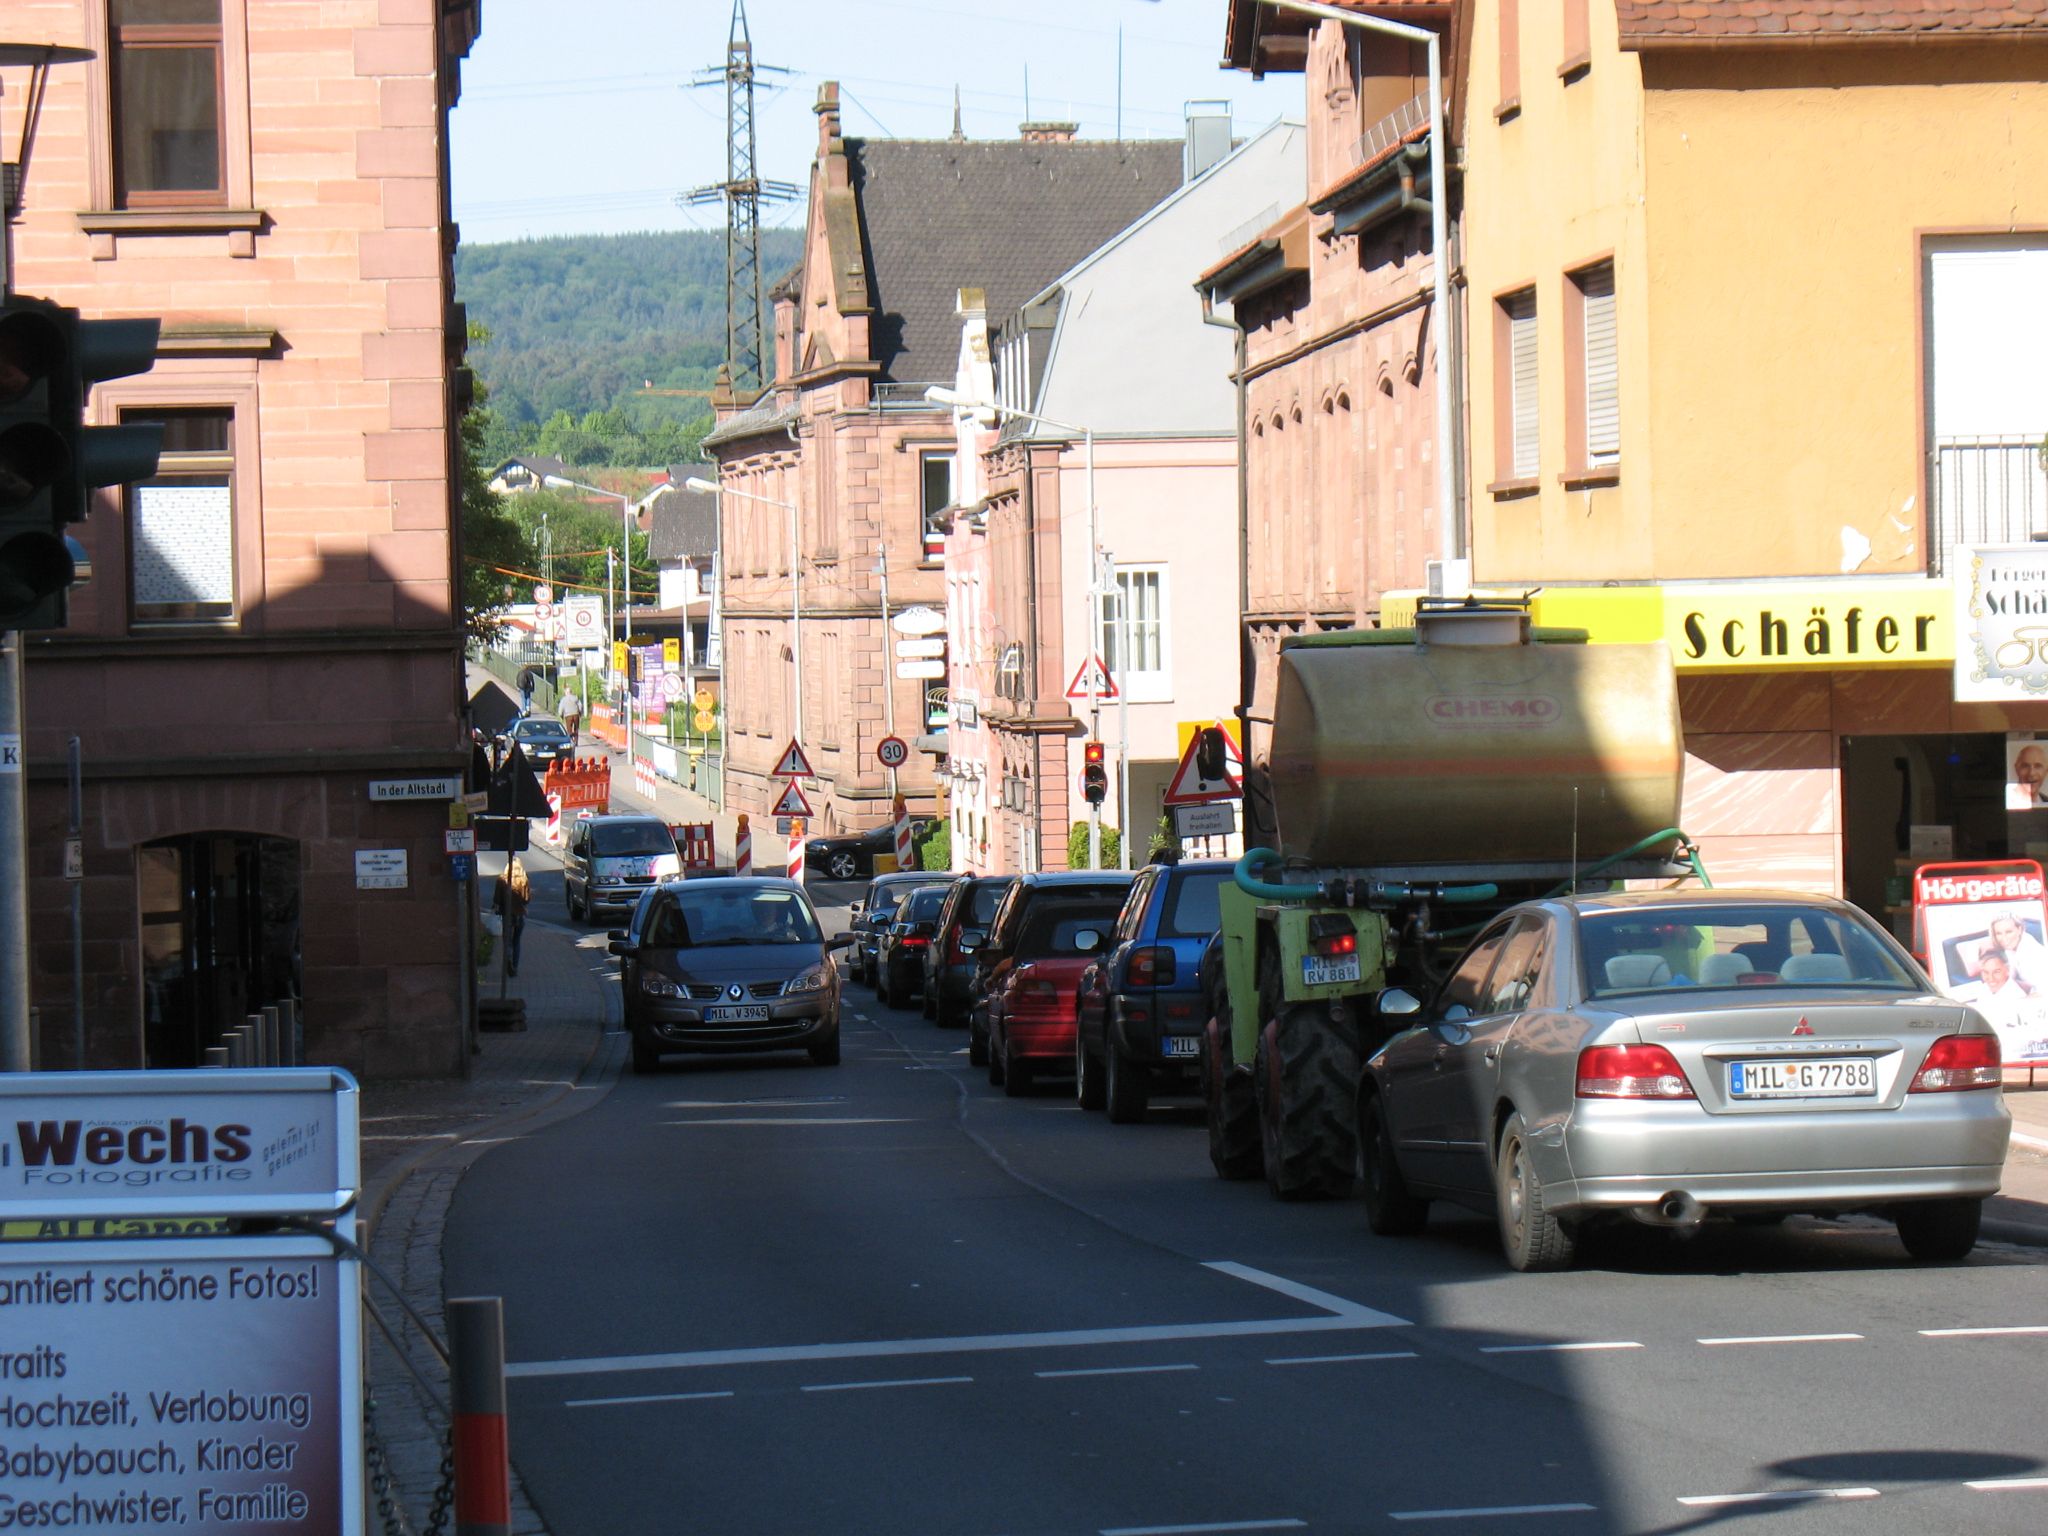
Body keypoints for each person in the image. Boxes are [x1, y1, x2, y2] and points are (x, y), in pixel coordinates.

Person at [493, 855, 531, 976]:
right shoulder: (524, 879)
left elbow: (497, 899)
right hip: (519, 913)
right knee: (517, 941)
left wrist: (498, 905)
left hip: (506, 913)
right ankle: (514, 966)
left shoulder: (501, 879)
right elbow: (526, 899)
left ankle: (507, 958)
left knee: (507, 941)